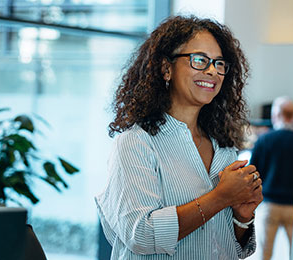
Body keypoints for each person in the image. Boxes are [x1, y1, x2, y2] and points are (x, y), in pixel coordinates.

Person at [95, 16, 262, 259]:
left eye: (219, 63)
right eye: (200, 60)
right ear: (166, 68)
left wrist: (242, 217)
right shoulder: (136, 142)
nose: (212, 71)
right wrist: (220, 197)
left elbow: (229, 246)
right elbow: (141, 234)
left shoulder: (223, 147)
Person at [249, 96, 293, 260]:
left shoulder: (264, 140)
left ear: (275, 115)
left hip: (269, 206)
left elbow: (253, 172)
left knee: (264, 254)